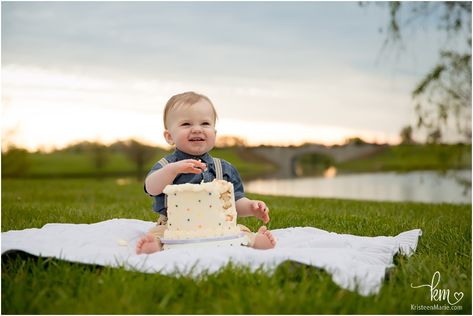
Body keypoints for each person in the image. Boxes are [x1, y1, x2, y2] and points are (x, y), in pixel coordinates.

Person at [136, 91, 277, 254]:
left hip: (218, 225)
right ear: (169, 136)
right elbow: (151, 187)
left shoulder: (223, 168)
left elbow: (234, 202)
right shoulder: (167, 165)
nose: (197, 129)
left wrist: (251, 207)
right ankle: (152, 245)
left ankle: (255, 241)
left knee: (239, 231)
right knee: (158, 234)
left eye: (205, 123)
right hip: (174, 225)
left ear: (214, 134)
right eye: (186, 124)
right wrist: (171, 171)